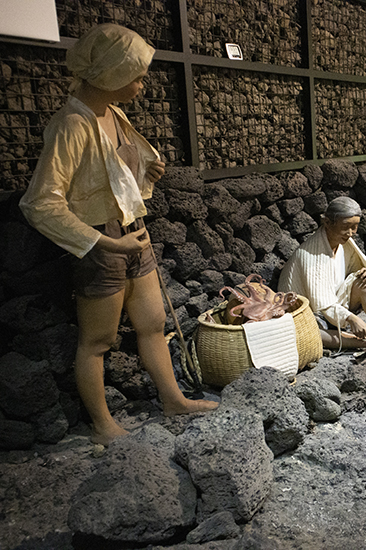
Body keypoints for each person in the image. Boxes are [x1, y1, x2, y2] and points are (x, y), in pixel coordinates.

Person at [18, 24, 218, 446]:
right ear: (110, 73)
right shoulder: (71, 125)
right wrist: (109, 243)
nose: (142, 86)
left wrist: (148, 171)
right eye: (136, 76)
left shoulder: (113, 114)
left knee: (152, 322)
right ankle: (102, 424)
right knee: (98, 340)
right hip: (99, 239)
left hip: (133, 232)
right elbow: (41, 202)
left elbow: (113, 175)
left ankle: (172, 399)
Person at [278, 197, 366, 349]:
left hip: (333, 306)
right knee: (312, 333)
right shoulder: (309, 255)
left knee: (363, 282)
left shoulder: (343, 243)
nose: (351, 233)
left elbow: (356, 271)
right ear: (327, 223)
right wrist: (350, 318)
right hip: (310, 315)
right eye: (346, 226)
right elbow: (322, 306)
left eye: (355, 227)